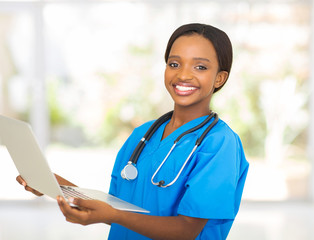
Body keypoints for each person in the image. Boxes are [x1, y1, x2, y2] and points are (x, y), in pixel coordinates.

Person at [17, 23, 249, 240]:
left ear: (220, 78)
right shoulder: (143, 134)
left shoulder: (220, 143)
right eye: (174, 64)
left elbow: (187, 230)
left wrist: (113, 215)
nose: (183, 75)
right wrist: (59, 187)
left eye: (200, 67)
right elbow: (122, 211)